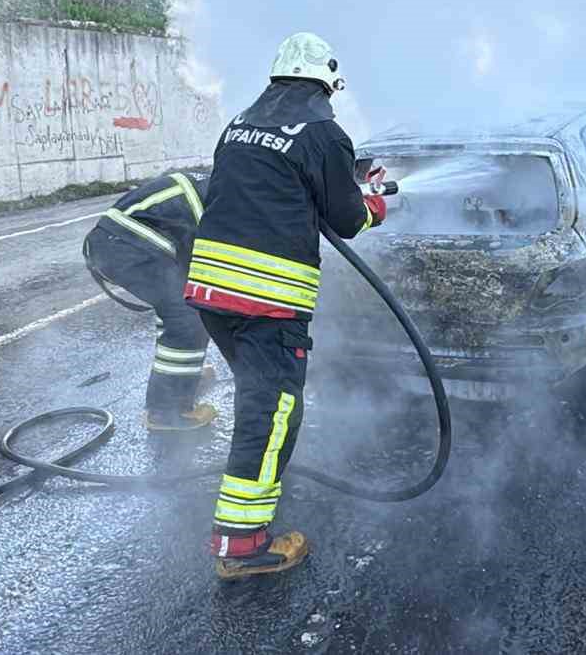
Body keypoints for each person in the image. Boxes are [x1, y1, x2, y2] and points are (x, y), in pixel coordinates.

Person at [184, 31, 387, 580]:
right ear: (326, 83)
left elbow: (267, 190)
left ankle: (258, 480)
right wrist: (371, 203)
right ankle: (242, 547)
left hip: (210, 293)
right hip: (266, 301)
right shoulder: (324, 131)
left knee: (259, 403)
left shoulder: (242, 124)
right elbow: (347, 220)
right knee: (270, 413)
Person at [83, 170, 219, 431]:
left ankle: (181, 378)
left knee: (178, 306)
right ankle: (166, 412)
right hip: (124, 246)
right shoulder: (231, 198)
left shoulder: (216, 182)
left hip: (121, 241)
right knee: (186, 316)